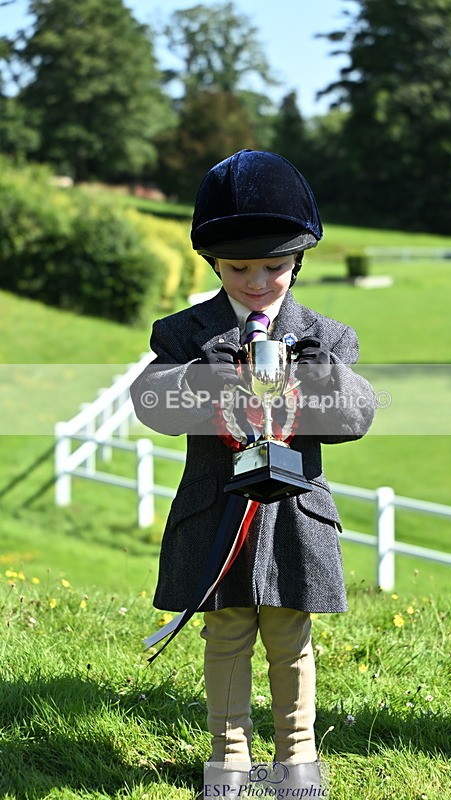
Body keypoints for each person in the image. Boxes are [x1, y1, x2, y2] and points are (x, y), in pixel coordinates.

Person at [130, 149, 375, 796]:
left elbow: (353, 419)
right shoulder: (184, 332)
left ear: (298, 261)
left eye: (274, 267)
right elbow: (151, 406)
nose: (258, 281)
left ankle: (297, 762)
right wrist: (218, 377)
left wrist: (315, 372)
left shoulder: (328, 335)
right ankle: (228, 762)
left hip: (294, 515)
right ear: (213, 263)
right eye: (239, 268)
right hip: (217, 513)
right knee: (228, 634)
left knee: (290, 638)